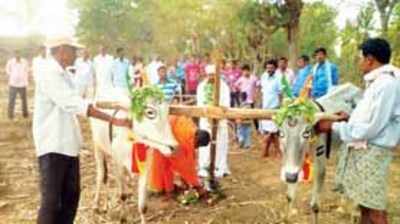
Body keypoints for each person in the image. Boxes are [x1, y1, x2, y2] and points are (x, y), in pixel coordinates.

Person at [33, 36, 131, 224]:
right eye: (73, 50)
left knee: (71, 198)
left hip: (67, 145)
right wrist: (113, 119)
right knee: (52, 202)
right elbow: (75, 104)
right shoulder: (49, 74)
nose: (76, 55)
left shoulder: (65, 75)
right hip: (53, 145)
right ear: (62, 50)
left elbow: (81, 100)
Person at [315, 38, 400, 224]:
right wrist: (350, 116)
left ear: (370, 59)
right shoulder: (377, 82)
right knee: (364, 203)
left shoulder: (387, 84)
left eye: (360, 58)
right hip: (365, 149)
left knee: (375, 209)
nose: (359, 62)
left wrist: (334, 126)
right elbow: (370, 116)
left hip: (373, 151)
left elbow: (373, 126)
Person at [132, 116, 210, 197]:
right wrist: (197, 185)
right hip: (163, 138)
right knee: (163, 164)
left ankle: (168, 189)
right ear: (196, 138)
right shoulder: (185, 138)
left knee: (165, 164)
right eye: (198, 145)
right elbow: (185, 166)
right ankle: (167, 190)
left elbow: (188, 160)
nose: (197, 147)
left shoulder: (191, 129)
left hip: (165, 133)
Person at [197, 64, 231, 178]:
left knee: (221, 143)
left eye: (213, 75)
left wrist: (218, 114)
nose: (211, 77)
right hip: (206, 120)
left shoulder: (224, 87)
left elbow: (226, 105)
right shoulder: (202, 86)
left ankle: (220, 167)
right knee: (204, 143)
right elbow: (200, 103)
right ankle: (204, 167)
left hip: (220, 121)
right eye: (209, 75)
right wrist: (208, 115)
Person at [259, 59, 281, 158]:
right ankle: (265, 152)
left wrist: (280, 106)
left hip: (274, 107)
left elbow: (281, 93)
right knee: (266, 130)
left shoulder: (279, 77)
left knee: (275, 132)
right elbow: (262, 91)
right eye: (267, 68)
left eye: (271, 68)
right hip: (265, 106)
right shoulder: (263, 76)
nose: (269, 69)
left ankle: (278, 152)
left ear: (275, 68)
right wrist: (260, 103)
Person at [6, 50, 29, 120]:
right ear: (14, 54)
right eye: (16, 54)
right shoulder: (10, 62)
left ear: (20, 54)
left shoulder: (24, 61)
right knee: (11, 100)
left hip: (23, 84)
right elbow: (7, 70)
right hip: (13, 84)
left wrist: (24, 77)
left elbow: (27, 70)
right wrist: (12, 75)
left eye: (18, 53)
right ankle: (10, 115)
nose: (17, 55)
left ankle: (25, 114)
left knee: (24, 100)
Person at [234, 64, 259, 130]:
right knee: (242, 114)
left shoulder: (253, 78)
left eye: (246, 71)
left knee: (254, 114)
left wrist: (256, 93)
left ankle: (257, 128)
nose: (245, 72)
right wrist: (240, 90)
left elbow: (258, 84)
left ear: (249, 71)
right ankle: (240, 129)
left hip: (251, 99)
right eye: (244, 71)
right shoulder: (241, 79)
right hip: (244, 100)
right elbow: (235, 85)